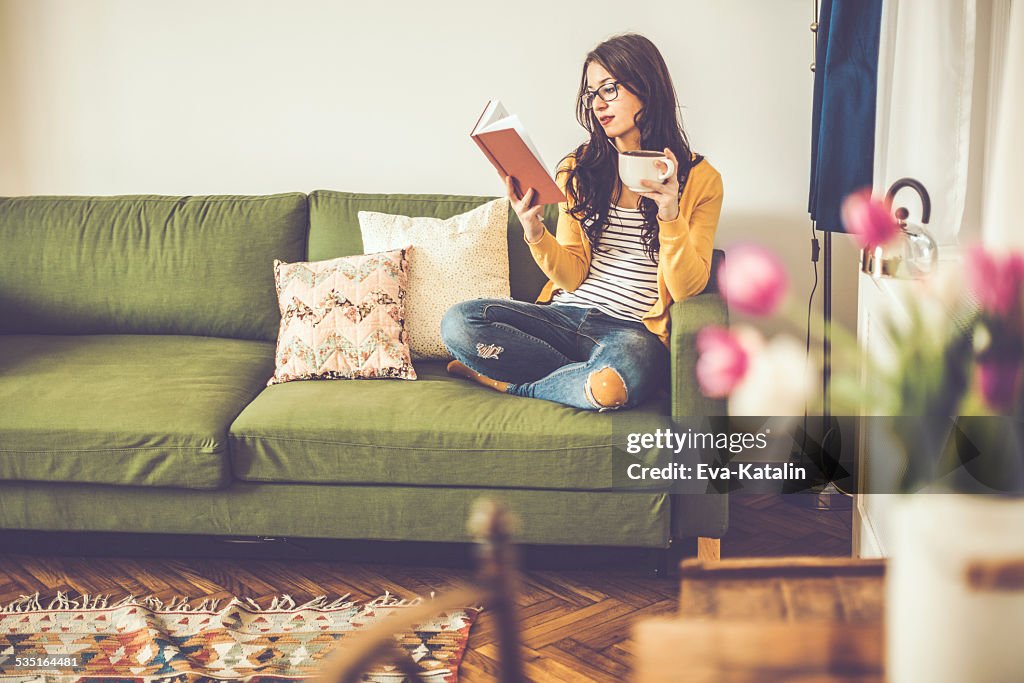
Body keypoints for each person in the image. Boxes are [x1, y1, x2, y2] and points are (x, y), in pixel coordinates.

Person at [440, 33, 724, 411]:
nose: (598, 104)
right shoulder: (578, 168)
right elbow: (571, 275)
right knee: (459, 323)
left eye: (609, 89)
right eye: (592, 94)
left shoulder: (701, 180)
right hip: (562, 316)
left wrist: (670, 214)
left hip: (632, 333)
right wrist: (534, 230)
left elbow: (688, 288)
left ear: (646, 86)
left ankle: (504, 381)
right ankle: (579, 379)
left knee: (611, 387)